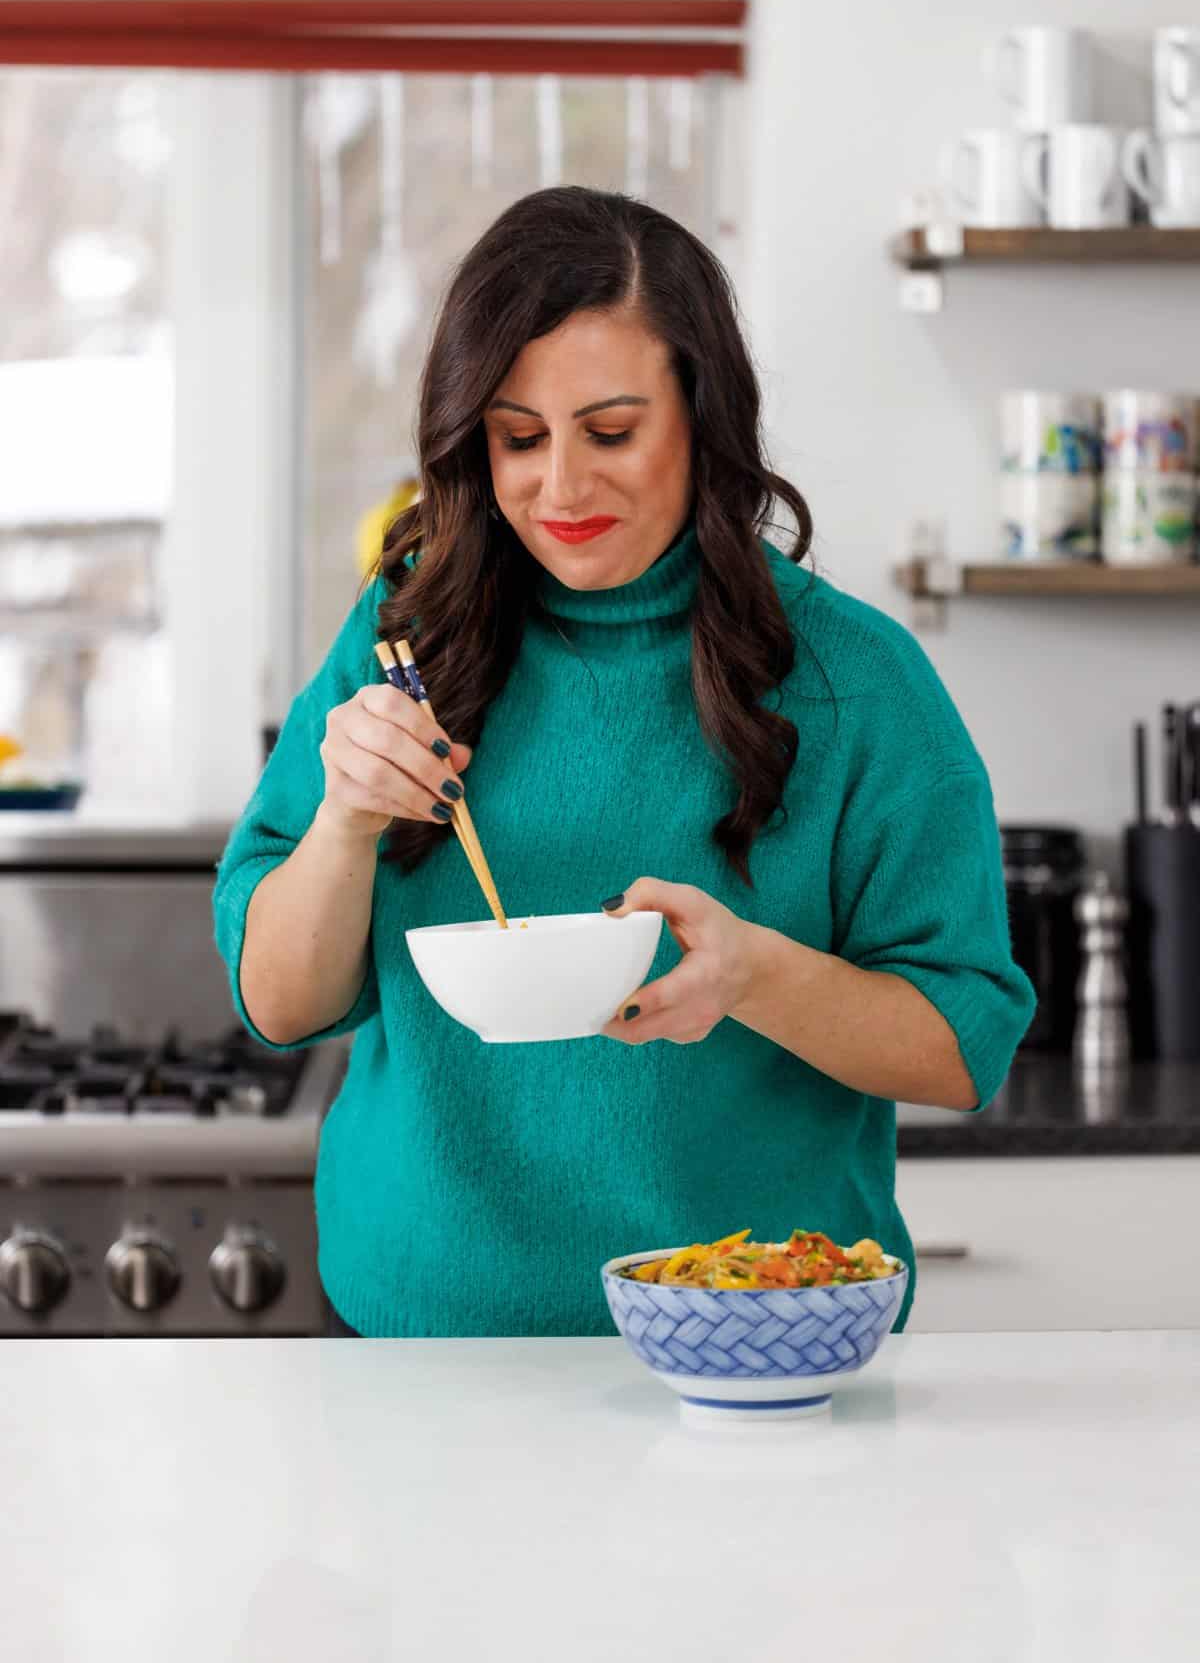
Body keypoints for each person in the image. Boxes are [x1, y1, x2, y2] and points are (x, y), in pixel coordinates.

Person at [214, 186, 1035, 1338]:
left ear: (703, 416)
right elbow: (278, 1004)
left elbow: (963, 1045)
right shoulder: (403, 641)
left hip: (760, 1347)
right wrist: (345, 820)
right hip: (416, 1352)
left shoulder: (858, 678)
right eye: (517, 437)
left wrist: (753, 975)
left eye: (610, 432)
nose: (560, 487)